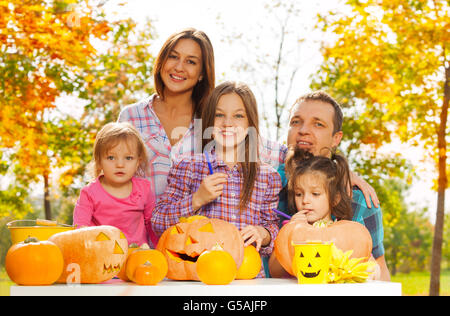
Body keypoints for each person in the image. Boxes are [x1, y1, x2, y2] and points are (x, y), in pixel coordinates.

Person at [151, 81, 281, 277]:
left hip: (246, 279)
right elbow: (158, 221)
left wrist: (263, 234)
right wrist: (197, 199)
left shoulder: (267, 177)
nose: (227, 123)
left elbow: (272, 226)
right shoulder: (188, 167)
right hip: (198, 278)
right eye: (219, 115)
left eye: (238, 115)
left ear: (250, 124)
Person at [273, 91, 390, 280]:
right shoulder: (264, 184)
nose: (303, 130)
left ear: (336, 138)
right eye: (296, 121)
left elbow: (380, 269)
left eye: (318, 124)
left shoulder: (360, 200)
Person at [117, 28, 215, 200]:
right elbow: (109, 179)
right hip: (134, 226)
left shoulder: (211, 122)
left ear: (201, 74)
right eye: (173, 56)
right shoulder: (130, 117)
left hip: (195, 226)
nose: (179, 67)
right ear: (162, 61)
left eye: (191, 62)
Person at [73, 122, 158, 247]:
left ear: (138, 162)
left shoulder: (144, 189)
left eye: (128, 158)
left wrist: (159, 250)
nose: (120, 165)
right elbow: (80, 228)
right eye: (111, 158)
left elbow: (152, 225)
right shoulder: (90, 193)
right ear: (99, 161)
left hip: (136, 254)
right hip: (102, 255)